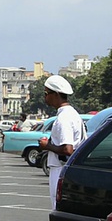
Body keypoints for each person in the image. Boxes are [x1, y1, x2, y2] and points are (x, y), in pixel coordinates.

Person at [38, 75, 87, 210]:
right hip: (66, 167)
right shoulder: (72, 114)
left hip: (61, 167)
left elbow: (67, 149)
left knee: (58, 208)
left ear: (56, 95)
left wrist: (46, 146)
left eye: (46, 93)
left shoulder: (64, 118)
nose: (45, 97)